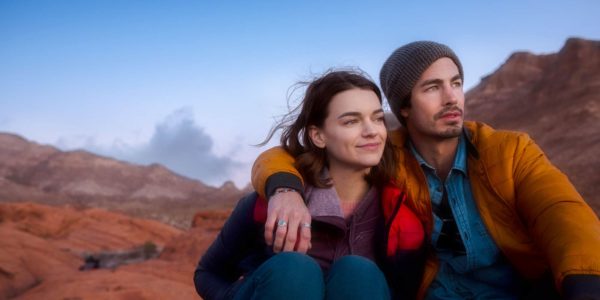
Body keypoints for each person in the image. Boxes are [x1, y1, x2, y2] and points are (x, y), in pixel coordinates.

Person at [250, 41, 600, 299]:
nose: (452, 98)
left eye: (457, 83)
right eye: (433, 87)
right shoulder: (386, 156)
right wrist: (285, 190)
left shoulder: (509, 150)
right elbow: (287, 155)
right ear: (404, 107)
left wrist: (585, 285)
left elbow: (562, 213)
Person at [194, 70, 426, 300]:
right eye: (351, 121)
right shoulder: (271, 204)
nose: (371, 131)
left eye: (377, 118)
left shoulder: (398, 214)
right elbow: (208, 274)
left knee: (359, 273)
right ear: (318, 136)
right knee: (294, 271)